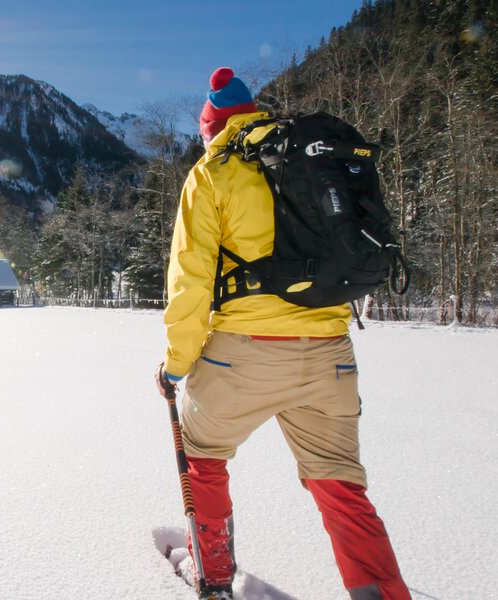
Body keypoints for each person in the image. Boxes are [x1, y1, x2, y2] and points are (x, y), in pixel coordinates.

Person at [154, 67, 411, 600]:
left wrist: (175, 364)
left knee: (201, 456)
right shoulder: (309, 161)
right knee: (340, 484)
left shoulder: (214, 172)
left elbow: (190, 281)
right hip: (329, 352)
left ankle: (216, 577)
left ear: (211, 126)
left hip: (240, 357)